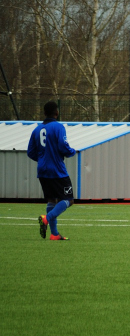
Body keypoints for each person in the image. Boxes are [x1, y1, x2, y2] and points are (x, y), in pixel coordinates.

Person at [26, 101, 77, 241]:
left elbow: (30, 152)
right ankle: (46, 218)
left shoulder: (37, 130)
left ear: (44, 113)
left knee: (52, 200)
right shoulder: (58, 127)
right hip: (57, 170)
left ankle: (54, 234)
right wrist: (72, 152)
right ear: (57, 112)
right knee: (69, 200)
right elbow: (63, 146)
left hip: (42, 170)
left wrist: (43, 159)